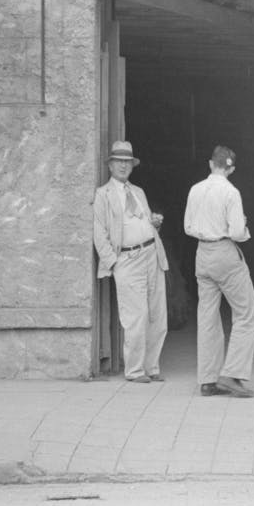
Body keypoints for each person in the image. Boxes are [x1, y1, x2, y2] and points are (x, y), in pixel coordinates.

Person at [184, 145, 254, 398]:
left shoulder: (195, 189)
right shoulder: (231, 192)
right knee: (245, 314)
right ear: (231, 168)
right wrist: (245, 230)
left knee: (207, 316)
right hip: (225, 251)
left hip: (202, 253)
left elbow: (188, 226)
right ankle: (232, 374)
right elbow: (237, 232)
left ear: (210, 164)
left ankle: (207, 380)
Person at [93, 141, 168, 384]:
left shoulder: (138, 192)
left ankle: (151, 367)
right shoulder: (103, 195)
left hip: (151, 254)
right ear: (111, 165)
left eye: (127, 162)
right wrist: (114, 263)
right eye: (119, 162)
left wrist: (153, 223)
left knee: (157, 315)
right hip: (128, 259)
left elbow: (141, 221)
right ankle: (135, 371)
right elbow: (99, 233)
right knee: (135, 317)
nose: (123, 166)